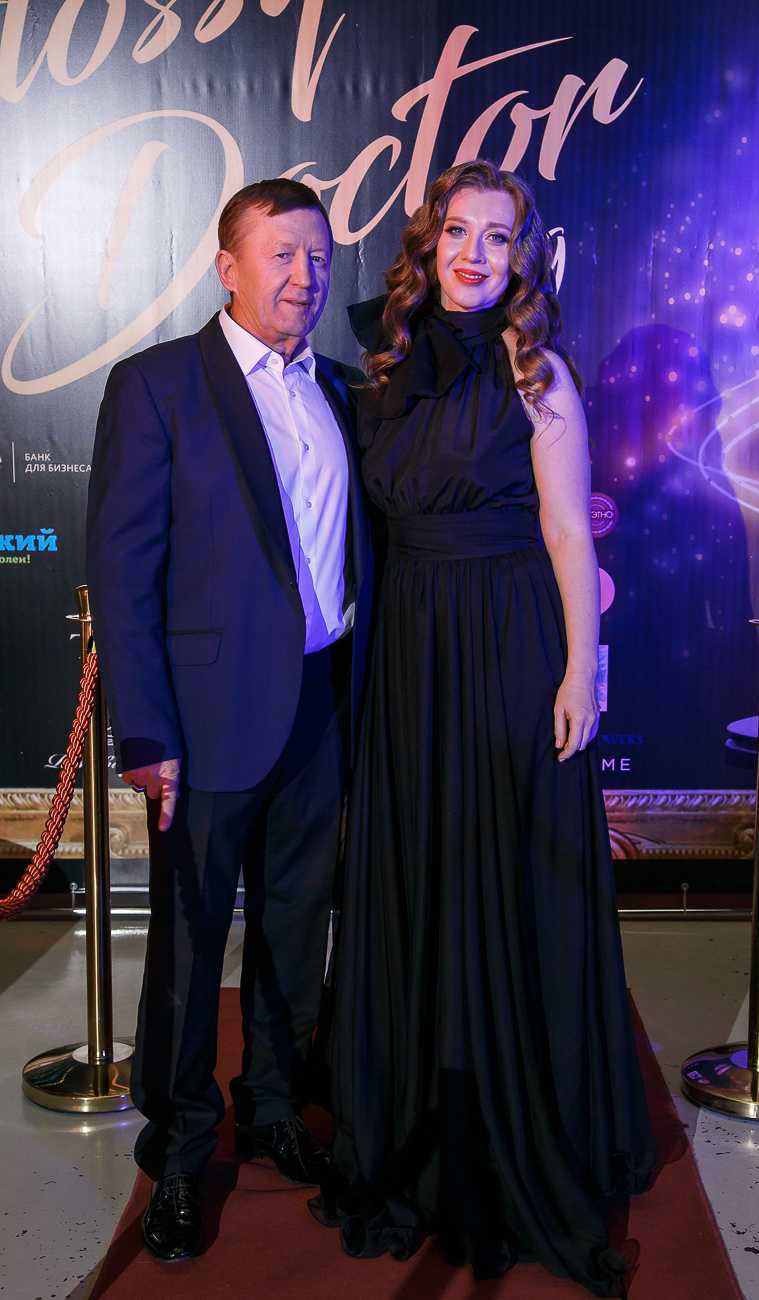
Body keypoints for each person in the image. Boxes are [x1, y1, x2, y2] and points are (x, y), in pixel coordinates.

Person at [311, 160, 656, 1296]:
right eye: (457, 232)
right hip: (407, 651)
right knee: (419, 871)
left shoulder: (536, 370)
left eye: (495, 237)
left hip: (508, 641)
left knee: (504, 873)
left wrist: (580, 669)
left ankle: (519, 1127)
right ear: (430, 242)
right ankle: (416, 1112)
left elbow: (566, 532)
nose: (472, 254)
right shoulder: (381, 363)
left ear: (521, 256)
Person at [86, 179, 371, 1262]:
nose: (305, 275)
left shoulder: (340, 389)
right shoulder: (158, 384)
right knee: (190, 940)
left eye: (318, 256)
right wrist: (146, 734)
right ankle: (179, 1149)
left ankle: (273, 1107)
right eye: (282, 254)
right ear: (229, 266)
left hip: (322, 707)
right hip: (203, 724)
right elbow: (124, 573)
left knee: (297, 929)